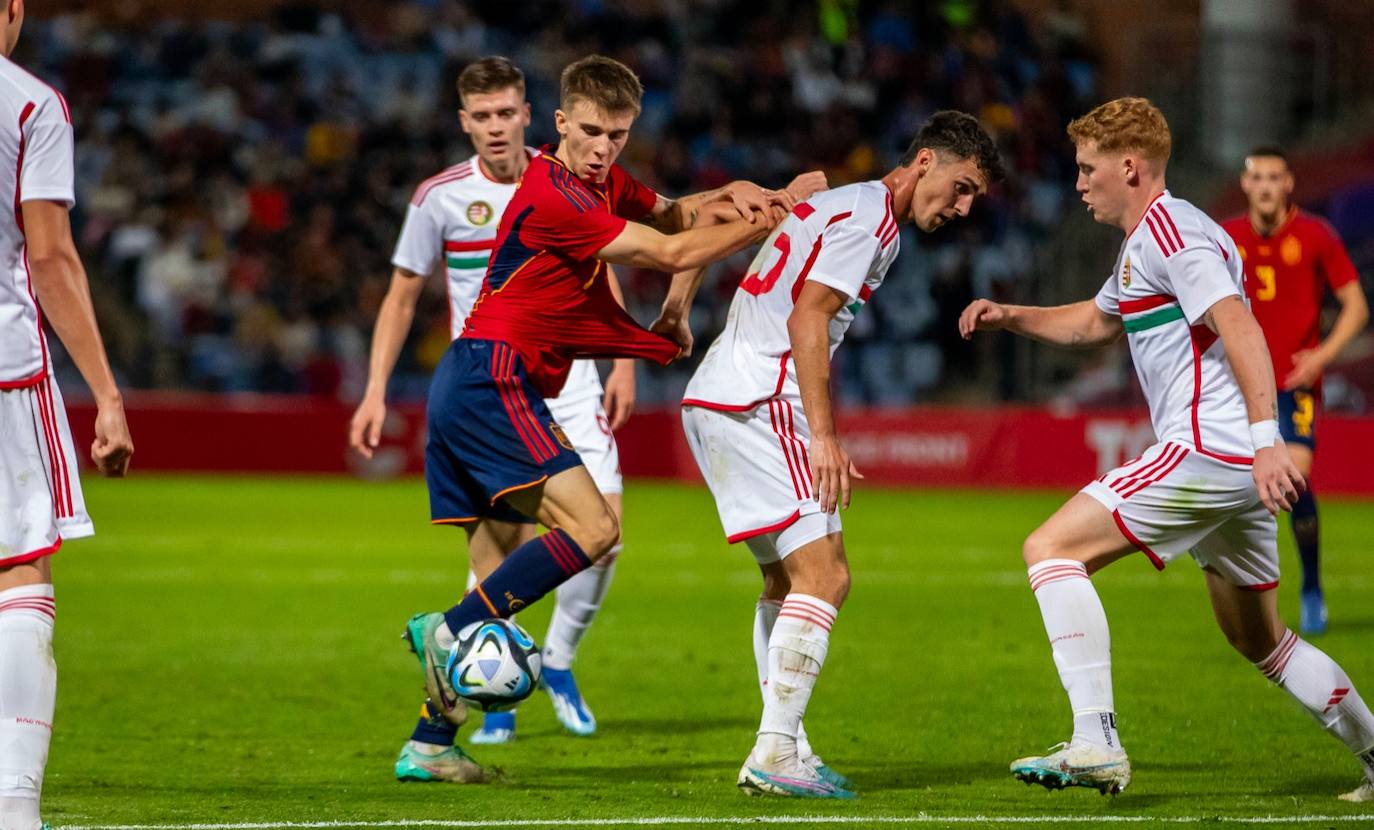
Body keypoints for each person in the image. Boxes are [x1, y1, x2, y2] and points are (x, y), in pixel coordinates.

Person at [959, 97, 1374, 801]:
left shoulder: (1174, 230)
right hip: (1230, 465)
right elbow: (1095, 322)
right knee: (1262, 642)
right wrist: (1013, 316)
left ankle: (1096, 739)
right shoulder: (1146, 242)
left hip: (1208, 450)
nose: (1080, 182)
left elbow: (1238, 324)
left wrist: (1267, 439)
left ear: (1130, 166)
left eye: (1089, 169)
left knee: (1050, 550)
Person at [399, 54, 811, 759]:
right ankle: (450, 626)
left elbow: (678, 214)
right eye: (589, 132)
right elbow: (666, 248)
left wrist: (741, 192)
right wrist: (774, 215)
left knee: (501, 563)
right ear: (559, 123)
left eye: (617, 135)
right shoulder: (555, 195)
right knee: (596, 530)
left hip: (477, 380)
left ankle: (431, 739)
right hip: (490, 378)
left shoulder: (601, 182)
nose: (602, 149)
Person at [681, 111, 1003, 799]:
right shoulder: (868, 222)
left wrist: (679, 299)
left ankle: (788, 744)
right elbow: (807, 316)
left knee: (786, 583)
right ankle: (773, 751)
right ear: (923, 163)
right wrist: (822, 437)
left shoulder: (839, 204)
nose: (963, 207)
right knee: (826, 579)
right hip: (759, 402)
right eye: (962, 187)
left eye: (974, 197)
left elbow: (729, 246)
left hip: (720, 395)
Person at [348, 57, 638, 782]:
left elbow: (608, 256)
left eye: (507, 113)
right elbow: (401, 295)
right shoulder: (440, 199)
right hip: (494, 385)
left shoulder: (565, 177)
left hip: (566, 378)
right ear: (464, 123)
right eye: (482, 117)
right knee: (495, 574)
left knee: (604, 535)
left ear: (530, 114)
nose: (497, 128)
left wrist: (623, 359)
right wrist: (376, 388)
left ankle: (553, 662)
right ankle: (442, 732)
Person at [0, 1, 136, 827]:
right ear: (14, 9)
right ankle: (14, 807)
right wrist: (108, 394)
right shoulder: (30, 103)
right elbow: (48, 258)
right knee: (18, 573)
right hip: (6, 374)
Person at [1219, 147, 1369, 635]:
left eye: (1274, 177)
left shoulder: (1315, 236)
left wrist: (1322, 357)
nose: (1265, 186)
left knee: (1294, 479)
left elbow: (1356, 307)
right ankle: (1249, 597)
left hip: (1292, 385)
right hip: (1238, 384)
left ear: (1289, 184)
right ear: (1246, 184)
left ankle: (1310, 586)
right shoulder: (1226, 238)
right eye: (1256, 176)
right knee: (1236, 489)